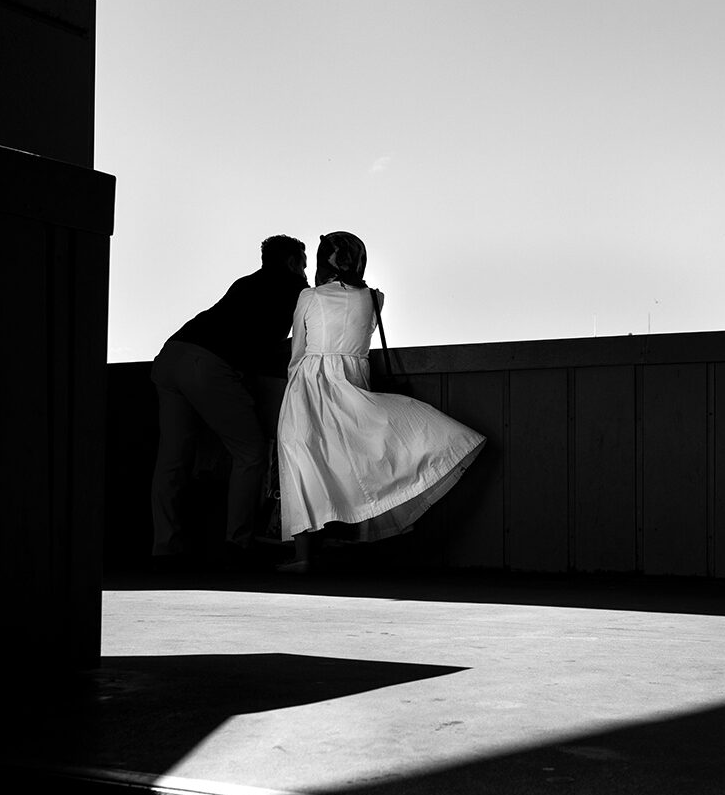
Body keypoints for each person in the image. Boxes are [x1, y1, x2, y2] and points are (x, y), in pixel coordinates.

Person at [276, 231, 485, 572]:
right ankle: (352, 541)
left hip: (310, 387)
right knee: (356, 461)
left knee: (304, 462)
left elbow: (298, 350)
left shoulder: (309, 297)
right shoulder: (373, 298)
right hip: (353, 384)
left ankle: (302, 556)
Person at [150, 234, 308, 566]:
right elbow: (284, 345)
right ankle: (239, 544)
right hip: (207, 366)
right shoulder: (294, 289)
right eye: (304, 263)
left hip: (171, 355)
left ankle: (165, 548)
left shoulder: (245, 284)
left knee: (172, 460)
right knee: (250, 452)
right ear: (294, 262)